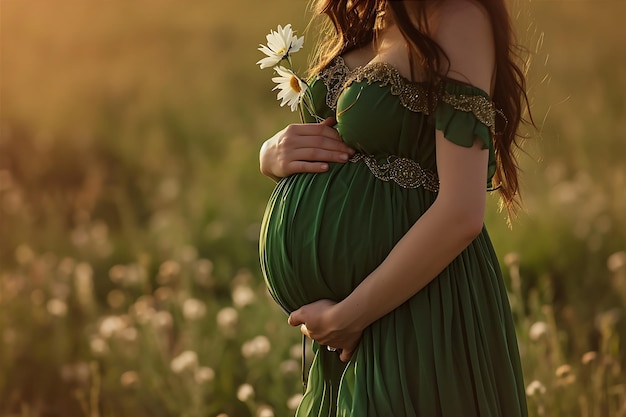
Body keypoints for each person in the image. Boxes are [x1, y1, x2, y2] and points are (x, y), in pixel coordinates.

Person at [258, 0, 532, 415]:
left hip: (419, 309)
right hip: (352, 325)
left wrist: (351, 314)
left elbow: (462, 212)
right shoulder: (372, 15)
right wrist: (271, 154)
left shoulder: (458, 18)